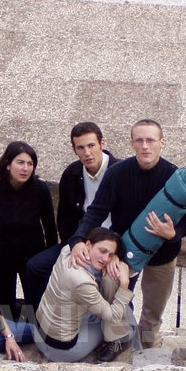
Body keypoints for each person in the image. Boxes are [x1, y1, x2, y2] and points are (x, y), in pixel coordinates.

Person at [69, 119, 186, 350]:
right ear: (132, 143)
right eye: (139, 140)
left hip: (163, 254)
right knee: (115, 296)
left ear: (161, 143)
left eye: (151, 140)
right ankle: (118, 341)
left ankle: (145, 347)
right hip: (125, 250)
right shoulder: (117, 173)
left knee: (154, 310)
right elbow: (96, 211)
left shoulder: (174, 175)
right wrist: (77, 240)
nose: (145, 146)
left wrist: (172, 233)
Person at [23, 122, 119, 315]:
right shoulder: (72, 174)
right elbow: (64, 221)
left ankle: (114, 330)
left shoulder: (121, 171)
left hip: (114, 247)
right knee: (35, 267)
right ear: (74, 149)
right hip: (82, 241)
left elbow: (130, 218)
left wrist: (116, 252)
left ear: (102, 143)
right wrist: (76, 243)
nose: (87, 153)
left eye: (91, 145)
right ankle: (41, 318)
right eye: (80, 148)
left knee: (112, 282)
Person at [0, 141, 58, 319]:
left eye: (30, 164)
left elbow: (50, 228)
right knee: (5, 307)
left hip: (32, 258)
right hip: (2, 258)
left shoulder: (41, 190)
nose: (25, 168)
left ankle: (32, 336)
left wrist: (49, 262)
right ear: (8, 164)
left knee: (35, 306)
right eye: (20, 162)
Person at [36, 228, 134, 362]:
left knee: (107, 299)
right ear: (88, 245)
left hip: (39, 335)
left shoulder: (68, 250)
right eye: (102, 251)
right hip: (61, 351)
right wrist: (124, 284)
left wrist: (113, 257)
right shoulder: (82, 282)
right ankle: (119, 341)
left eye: (111, 255)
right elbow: (113, 316)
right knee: (120, 312)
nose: (106, 259)